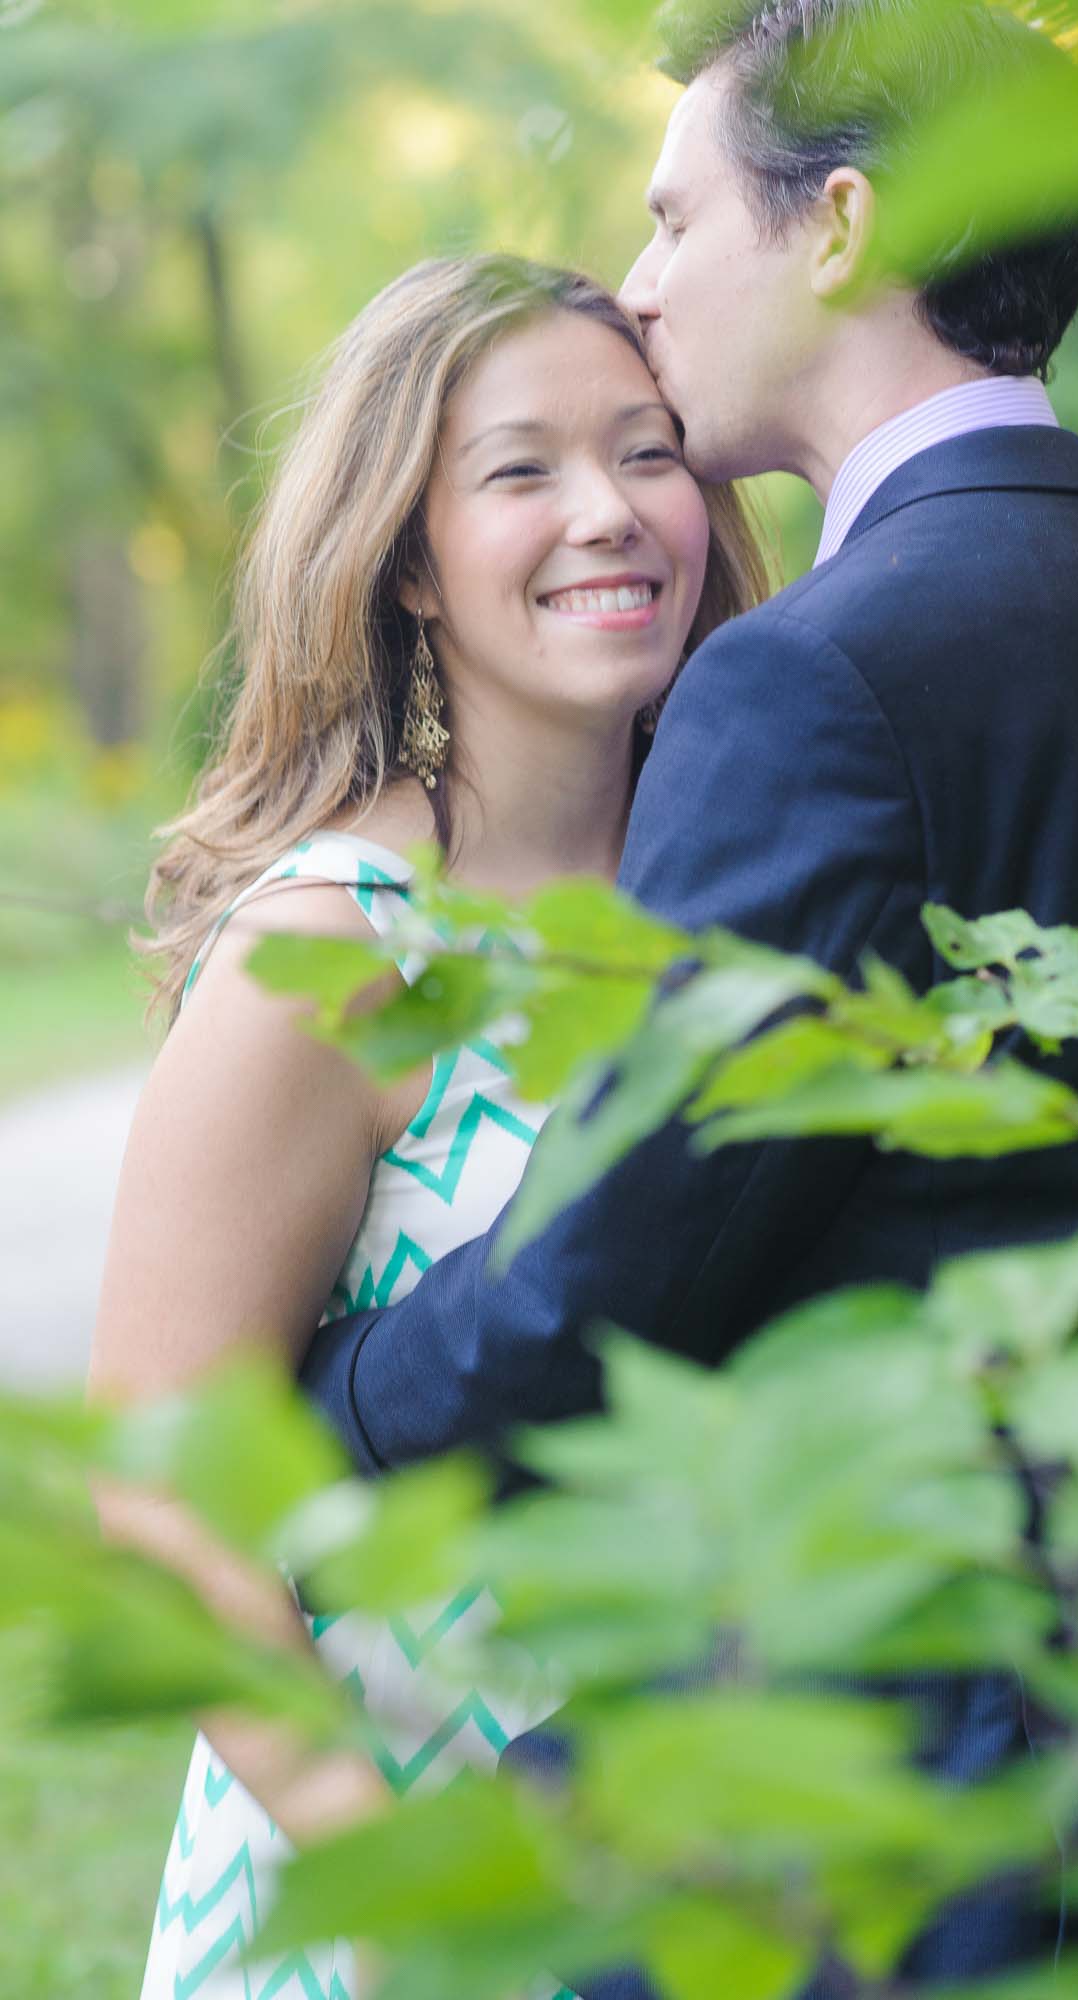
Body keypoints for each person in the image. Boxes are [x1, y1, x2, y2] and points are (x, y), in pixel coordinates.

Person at [298, 2, 1078, 1992]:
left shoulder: (816, 673)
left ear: (840, 225)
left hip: (905, 1755)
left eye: (677, 222)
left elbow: (613, 1260)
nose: (645, 287)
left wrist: (341, 1395)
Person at [86, 252, 769, 2000]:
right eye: (522, 470)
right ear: (405, 559)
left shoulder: (754, 901)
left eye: (649, 452)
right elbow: (170, 1512)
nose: (609, 514)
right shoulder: (339, 941)